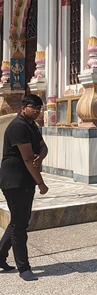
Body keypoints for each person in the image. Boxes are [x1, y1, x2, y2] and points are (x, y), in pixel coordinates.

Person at [0, 95, 49, 280]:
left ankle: (0, 256)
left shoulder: (32, 125)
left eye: (39, 107)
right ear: (23, 108)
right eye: (33, 107)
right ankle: (24, 268)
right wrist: (41, 183)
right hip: (15, 181)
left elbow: (43, 147)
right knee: (20, 225)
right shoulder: (19, 126)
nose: (37, 110)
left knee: (18, 221)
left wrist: (42, 156)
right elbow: (28, 159)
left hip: (24, 180)